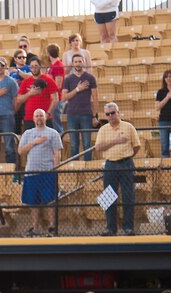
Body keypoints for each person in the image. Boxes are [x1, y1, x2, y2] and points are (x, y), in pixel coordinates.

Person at [94, 102, 141, 236]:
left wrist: (128, 157)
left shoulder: (128, 127)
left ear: (118, 113)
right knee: (108, 197)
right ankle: (110, 227)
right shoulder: (103, 129)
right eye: (108, 114)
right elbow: (98, 148)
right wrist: (115, 141)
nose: (110, 116)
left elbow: (137, 146)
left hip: (126, 164)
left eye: (113, 113)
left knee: (128, 196)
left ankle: (128, 227)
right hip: (110, 165)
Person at [18, 109, 62, 238]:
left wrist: (55, 169)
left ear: (46, 118)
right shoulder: (28, 133)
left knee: (50, 201)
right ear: (33, 118)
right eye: (36, 116)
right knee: (33, 202)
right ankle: (35, 228)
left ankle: (52, 227)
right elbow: (21, 151)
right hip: (31, 172)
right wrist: (34, 142)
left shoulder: (53, 133)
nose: (39, 118)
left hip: (47, 172)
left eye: (41, 116)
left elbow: (57, 153)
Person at [61, 54, 99, 161]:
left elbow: (95, 98)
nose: (78, 63)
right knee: (74, 144)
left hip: (86, 114)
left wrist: (95, 116)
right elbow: (64, 97)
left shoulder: (90, 78)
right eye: (76, 62)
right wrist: (77, 89)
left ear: (83, 62)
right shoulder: (68, 79)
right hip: (72, 115)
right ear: (72, 63)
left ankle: (88, 168)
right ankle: (75, 168)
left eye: (80, 61)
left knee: (87, 143)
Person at [15, 58, 59, 132]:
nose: (34, 69)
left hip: (44, 118)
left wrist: (48, 113)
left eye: (36, 66)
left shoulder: (48, 80)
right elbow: (19, 100)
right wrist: (30, 93)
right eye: (32, 66)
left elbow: (55, 99)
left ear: (40, 66)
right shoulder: (25, 82)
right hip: (29, 118)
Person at [46, 44, 66, 135]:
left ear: (48, 53)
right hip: (50, 97)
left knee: (56, 123)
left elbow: (58, 84)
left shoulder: (58, 65)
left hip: (56, 98)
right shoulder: (51, 65)